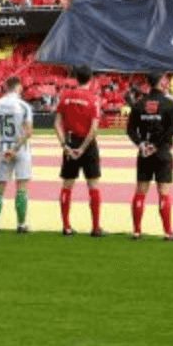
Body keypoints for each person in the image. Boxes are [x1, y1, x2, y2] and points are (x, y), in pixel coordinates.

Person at [128, 72, 173, 241]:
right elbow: (172, 130)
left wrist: (141, 144)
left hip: (144, 153)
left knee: (141, 191)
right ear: (161, 82)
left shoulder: (139, 104)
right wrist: (156, 145)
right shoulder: (169, 104)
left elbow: (129, 130)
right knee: (163, 192)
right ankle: (167, 231)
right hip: (162, 152)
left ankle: (136, 231)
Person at [55, 66, 105, 237]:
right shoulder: (94, 99)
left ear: (75, 78)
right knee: (93, 185)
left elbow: (56, 124)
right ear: (90, 79)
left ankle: (66, 227)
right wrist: (83, 148)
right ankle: (96, 227)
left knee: (67, 185)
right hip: (87, 144)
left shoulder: (66, 96)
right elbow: (94, 129)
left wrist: (65, 146)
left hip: (70, 141)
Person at [0, 76, 35, 234]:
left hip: (4, 145)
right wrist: (15, 148)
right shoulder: (24, 106)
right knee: (22, 187)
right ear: (18, 87)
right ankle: (21, 225)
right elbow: (29, 132)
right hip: (20, 147)